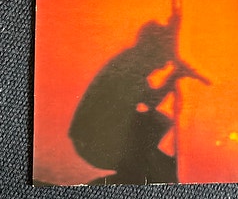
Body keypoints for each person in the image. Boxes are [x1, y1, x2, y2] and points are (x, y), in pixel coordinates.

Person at [68, 15, 199, 185]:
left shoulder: (131, 62)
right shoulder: (130, 68)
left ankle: (131, 174)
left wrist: (173, 28)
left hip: (95, 137)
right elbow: (151, 101)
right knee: (155, 126)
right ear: (152, 50)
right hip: (94, 140)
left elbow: (148, 99)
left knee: (163, 166)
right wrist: (174, 76)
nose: (166, 62)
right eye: (164, 55)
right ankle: (122, 179)